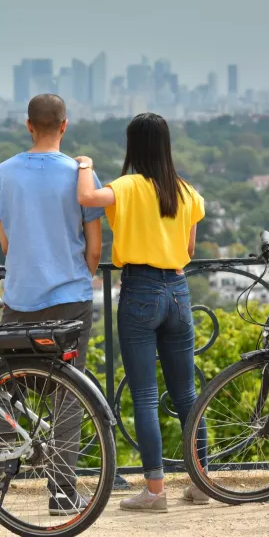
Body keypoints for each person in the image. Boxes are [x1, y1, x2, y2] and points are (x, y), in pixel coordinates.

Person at [0, 93, 104, 516]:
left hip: (20, 299)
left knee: (6, 389)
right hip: (71, 298)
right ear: (64, 125)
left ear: (28, 125)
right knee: (68, 394)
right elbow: (94, 248)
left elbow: (7, 242)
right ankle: (61, 493)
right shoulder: (81, 176)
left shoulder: (3, 174)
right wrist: (80, 273)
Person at [76, 112, 209, 512]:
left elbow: (87, 198)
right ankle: (202, 482)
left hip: (140, 291)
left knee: (146, 397)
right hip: (178, 292)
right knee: (187, 395)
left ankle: (155, 491)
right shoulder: (186, 191)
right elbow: (188, 251)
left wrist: (85, 165)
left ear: (133, 147)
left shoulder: (128, 186)